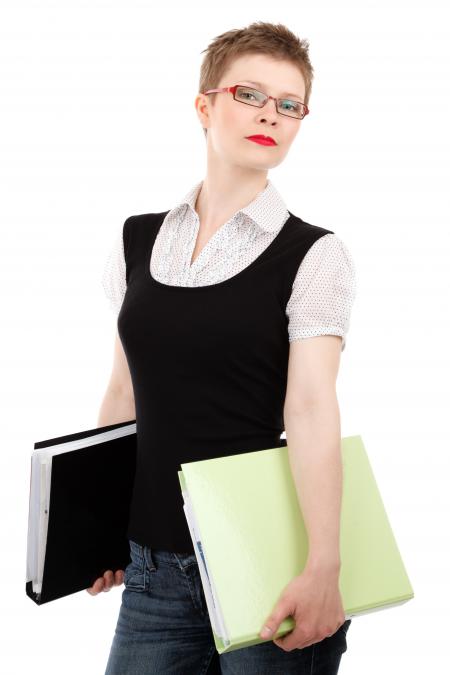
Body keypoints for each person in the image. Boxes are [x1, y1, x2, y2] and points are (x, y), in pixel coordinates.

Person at [89, 20, 356, 675]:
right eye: (250, 95)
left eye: (289, 104)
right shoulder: (137, 240)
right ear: (205, 106)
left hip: (267, 560)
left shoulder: (315, 254)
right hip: (151, 567)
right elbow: (125, 392)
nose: (271, 114)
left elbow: (312, 409)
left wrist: (324, 564)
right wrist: (94, 521)